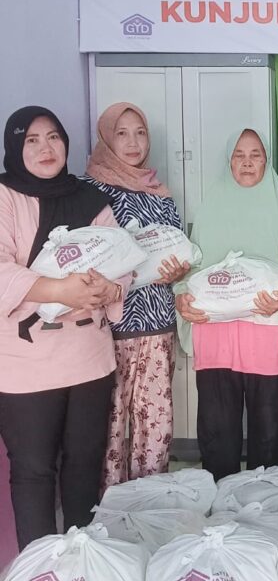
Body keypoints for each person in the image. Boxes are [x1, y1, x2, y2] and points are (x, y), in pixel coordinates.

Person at [0, 106, 128, 549]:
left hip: (89, 361)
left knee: (84, 463)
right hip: (26, 367)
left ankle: (81, 563)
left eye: (53, 137)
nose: (46, 148)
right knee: (34, 469)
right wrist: (59, 290)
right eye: (32, 140)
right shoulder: (5, 197)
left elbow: (120, 258)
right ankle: (39, 572)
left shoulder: (90, 199)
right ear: (15, 147)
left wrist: (111, 287)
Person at [175, 129, 278, 480]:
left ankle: (266, 499)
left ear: (266, 161)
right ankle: (221, 496)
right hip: (217, 335)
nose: (247, 162)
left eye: (255, 154)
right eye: (239, 155)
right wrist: (182, 297)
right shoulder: (211, 210)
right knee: (217, 427)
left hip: (267, 332)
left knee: (269, 426)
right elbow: (190, 269)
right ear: (229, 162)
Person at [85, 103, 188, 486]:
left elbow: (178, 246)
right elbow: (86, 255)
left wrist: (179, 270)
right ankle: (110, 503)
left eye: (140, 133)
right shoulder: (90, 191)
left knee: (156, 423)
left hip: (158, 324)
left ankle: (148, 500)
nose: (133, 142)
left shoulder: (160, 193)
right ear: (106, 139)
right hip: (109, 327)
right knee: (110, 423)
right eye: (122, 133)